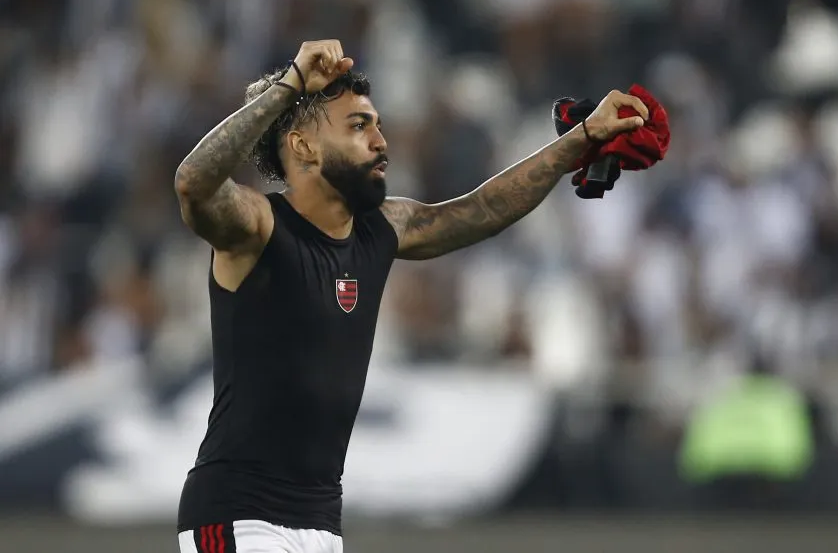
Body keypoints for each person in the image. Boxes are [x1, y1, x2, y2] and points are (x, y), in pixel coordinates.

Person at [172, 39, 651, 553]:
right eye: (358, 126)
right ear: (303, 146)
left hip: (320, 525)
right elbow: (193, 184)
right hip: (240, 516)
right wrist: (290, 82)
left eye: (376, 124)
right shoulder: (258, 228)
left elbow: (481, 210)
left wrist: (580, 140)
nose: (381, 141)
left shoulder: (381, 228)